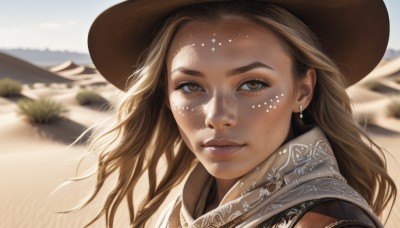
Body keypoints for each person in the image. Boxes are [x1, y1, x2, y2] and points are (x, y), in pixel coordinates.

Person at [74, 0, 396, 227]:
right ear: (165, 95)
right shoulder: (189, 205)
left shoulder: (329, 225)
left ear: (303, 90)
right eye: (189, 86)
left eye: (252, 84)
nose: (217, 116)